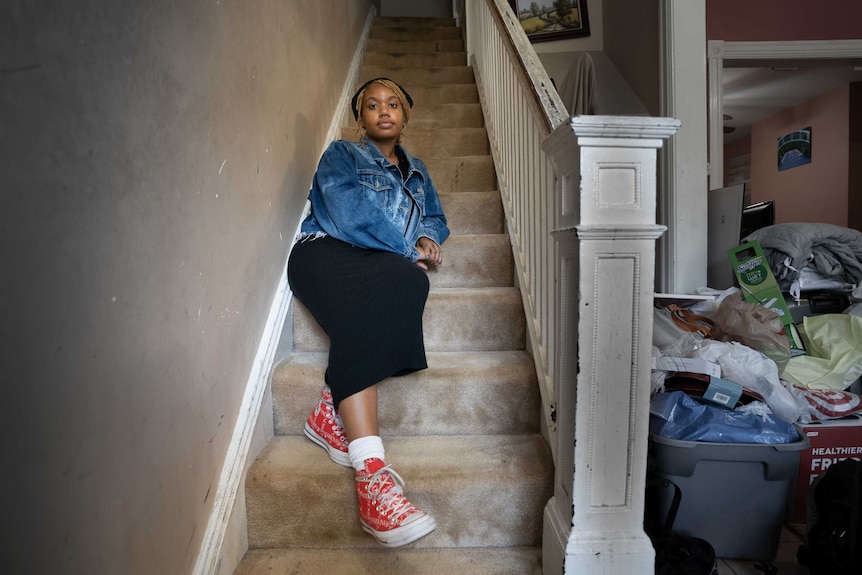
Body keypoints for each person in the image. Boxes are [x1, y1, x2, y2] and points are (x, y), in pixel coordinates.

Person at [287, 77, 449, 548]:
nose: (383, 111)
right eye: (372, 105)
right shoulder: (343, 155)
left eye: (393, 103)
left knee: (410, 280)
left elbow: (435, 216)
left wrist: (427, 240)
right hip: (325, 251)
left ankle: (330, 408)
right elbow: (345, 210)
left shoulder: (418, 170)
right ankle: (372, 477)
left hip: (382, 261)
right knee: (395, 280)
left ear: (405, 115)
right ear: (360, 117)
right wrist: (404, 245)